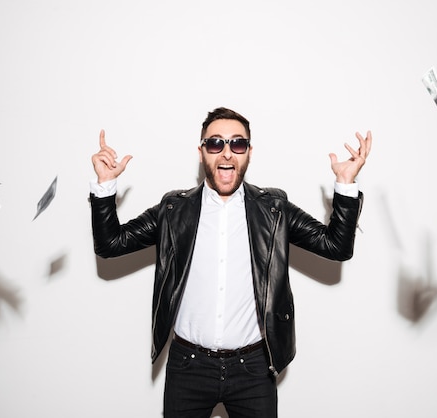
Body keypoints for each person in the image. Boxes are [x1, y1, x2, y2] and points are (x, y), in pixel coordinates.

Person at [89, 107, 372, 418]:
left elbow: (335, 247)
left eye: (237, 144)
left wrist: (345, 184)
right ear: (201, 152)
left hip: (253, 370)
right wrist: (104, 187)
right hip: (188, 368)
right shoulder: (174, 210)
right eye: (215, 143)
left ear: (249, 152)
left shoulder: (274, 209)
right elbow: (111, 245)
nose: (226, 153)